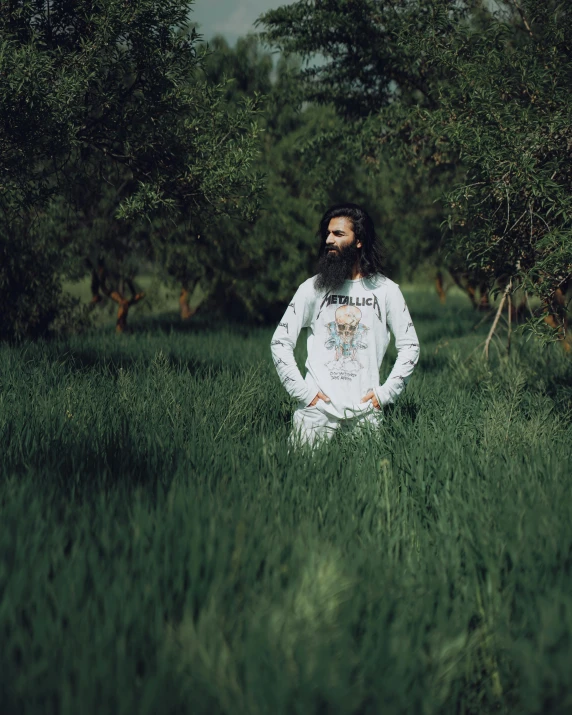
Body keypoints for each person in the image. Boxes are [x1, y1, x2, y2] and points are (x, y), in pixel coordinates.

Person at [270, 202, 420, 446]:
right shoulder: (312, 288)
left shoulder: (386, 291)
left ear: (358, 240)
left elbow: (410, 346)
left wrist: (386, 394)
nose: (329, 239)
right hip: (315, 412)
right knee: (301, 480)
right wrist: (304, 394)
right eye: (328, 233)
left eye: (338, 234)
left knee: (365, 481)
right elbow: (280, 342)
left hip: (366, 413)